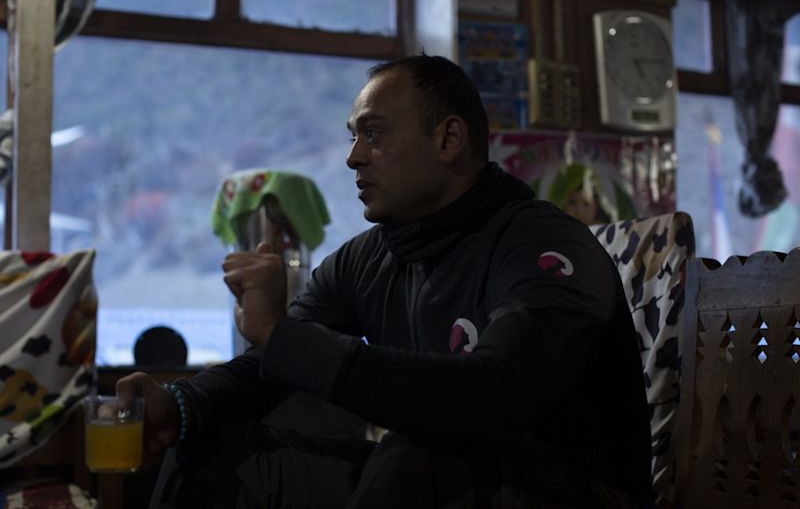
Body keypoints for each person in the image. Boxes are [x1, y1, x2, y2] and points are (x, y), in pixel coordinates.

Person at [117, 54, 652, 508]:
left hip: (570, 492)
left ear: (448, 138)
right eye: (354, 137)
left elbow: (495, 396)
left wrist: (286, 338)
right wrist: (181, 402)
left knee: (414, 452)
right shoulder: (372, 257)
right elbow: (271, 367)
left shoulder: (543, 245)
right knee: (205, 445)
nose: (353, 157)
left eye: (373, 134)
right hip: (448, 475)